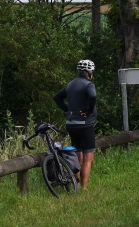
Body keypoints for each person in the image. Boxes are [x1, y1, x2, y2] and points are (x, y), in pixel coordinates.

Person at [54, 59, 97, 190]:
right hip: (85, 125)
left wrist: (67, 109)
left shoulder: (71, 84)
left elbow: (57, 98)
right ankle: (84, 187)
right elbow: (93, 96)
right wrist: (89, 111)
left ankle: (75, 184)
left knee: (77, 154)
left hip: (71, 124)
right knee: (88, 157)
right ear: (89, 73)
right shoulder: (89, 85)